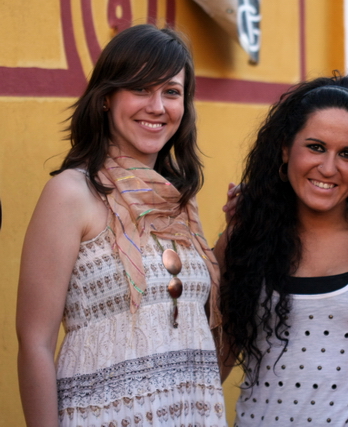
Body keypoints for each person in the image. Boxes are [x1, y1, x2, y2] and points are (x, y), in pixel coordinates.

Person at [16, 25, 227, 426]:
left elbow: (183, 324)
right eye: (141, 89)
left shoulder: (179, 203)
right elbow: (34, 342)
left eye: (171, 92)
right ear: (105, 99)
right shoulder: (71, 194)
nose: (157, 106)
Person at [215, 75, 348, 426]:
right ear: (285, 148)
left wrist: (343, 379)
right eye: (315, 146)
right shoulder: (246, 240)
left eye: (347, 154)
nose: (329, 168)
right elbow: (217, 357)